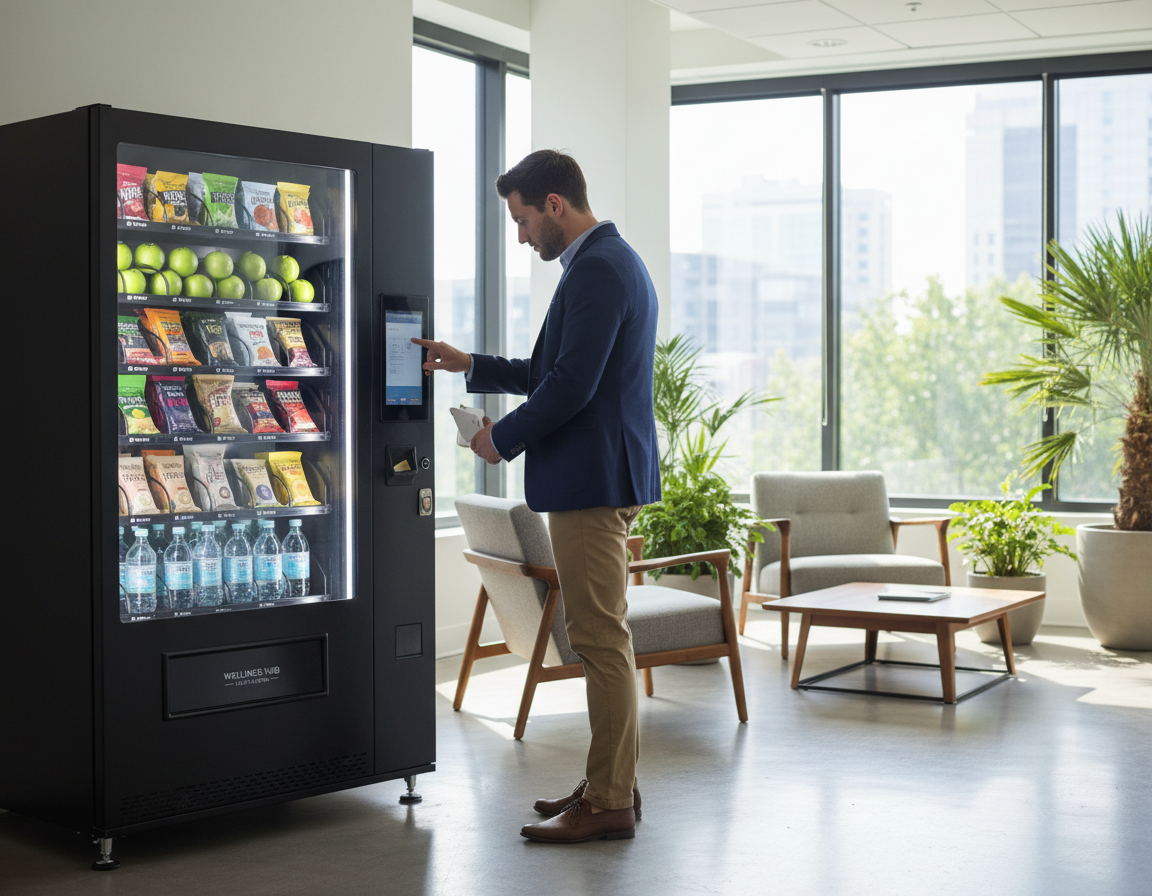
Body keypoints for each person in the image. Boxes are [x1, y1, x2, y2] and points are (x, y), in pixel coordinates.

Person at [413, 149, 661, 844]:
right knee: (604, 636)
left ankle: (609, 801)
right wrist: (471, 364)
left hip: (591, 482)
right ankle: (613, 784)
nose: (521, 236)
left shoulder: (600, 269)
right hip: (598, 475)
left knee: (599, 640)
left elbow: (572, 386)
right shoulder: (603, 263)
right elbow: (551, 370)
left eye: (523, 220)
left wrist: (501, 439)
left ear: (555, 204)